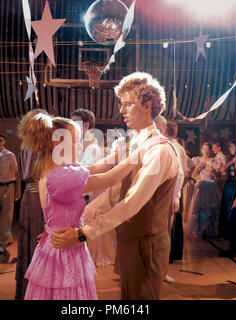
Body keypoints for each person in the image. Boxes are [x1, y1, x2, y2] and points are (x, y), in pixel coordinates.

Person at [51, 72, 180, 300]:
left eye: (128, 104)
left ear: (148, 105)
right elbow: (113, 191)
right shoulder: (138, 143)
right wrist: (81, 218)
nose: (121, 111)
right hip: (129, 237)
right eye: (122, 104)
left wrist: (82, 233)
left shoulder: (159, 150)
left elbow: (131, 203)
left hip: (147, 243)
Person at [21, 112, 141, 300]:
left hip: (57, 244)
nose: (79, 146)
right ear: (57, 143)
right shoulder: (63, 177)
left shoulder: (58, 170)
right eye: (76, 141)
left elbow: (96, 168)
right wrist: (136, 154)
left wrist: (120, 152)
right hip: (64, 251)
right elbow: (110, 178)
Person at [71, 109, 117, 268]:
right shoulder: (78, 144)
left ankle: (90, 255)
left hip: (89, 191)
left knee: (90, 221)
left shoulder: (92, 147)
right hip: (80, 188)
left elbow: (89, 171)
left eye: (75, 122)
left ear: (86, 125)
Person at [14, 110, 48, 300]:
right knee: (38, 241)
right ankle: (37, 292)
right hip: (39, 195)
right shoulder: (42, 146)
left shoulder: (25, 144)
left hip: (29, 194)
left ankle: (27, 291)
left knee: (29, 240)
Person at [155, 116, 185, 284]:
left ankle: (161, 270)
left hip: (165, 196)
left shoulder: (170, 147)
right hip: (153, 196)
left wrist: (175, 197)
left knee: (163, 234)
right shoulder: (155, 144)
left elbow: (179, 173)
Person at [185, 142, 222, 239]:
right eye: (204, 149)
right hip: (201, 186)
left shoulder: (214, 161)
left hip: (210, 186)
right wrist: (198, 168)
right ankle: (199, 230)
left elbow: (217, 177)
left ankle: (209, 230)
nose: (205, 151)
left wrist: (211, 170)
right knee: (199, 208)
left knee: (211, 208)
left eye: (207, 149)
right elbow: (192, 175)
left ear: (210, 151)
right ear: (201, 150)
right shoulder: (197, 160)